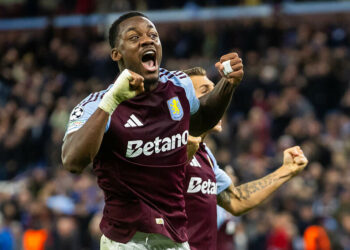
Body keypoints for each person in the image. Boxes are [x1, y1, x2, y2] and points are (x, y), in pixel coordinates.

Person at [61, 11, 244, 249]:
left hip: (176, 237)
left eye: (153, 35)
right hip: (128, 240)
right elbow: (72, 161)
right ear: (117, 54)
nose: (148, 40)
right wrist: (111, 101)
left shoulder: (179, 85)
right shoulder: (96, 104)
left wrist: (227, 85)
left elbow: (200, 122)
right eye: (134, 37)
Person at [183, 67, 309, 250]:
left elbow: (236, 200)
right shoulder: (164, 144)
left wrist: (286, 170)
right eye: (205, 92)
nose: (217, 100)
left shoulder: (206, 155)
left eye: (216, 91)